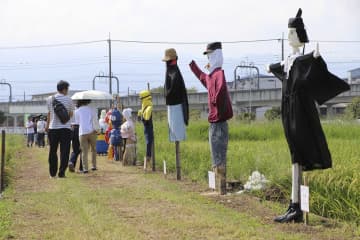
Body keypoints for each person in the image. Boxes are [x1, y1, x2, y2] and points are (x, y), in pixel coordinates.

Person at [267, 9, 350, 223]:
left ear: (300, 36)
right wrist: (271, 67)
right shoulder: (289, 61)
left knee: (299, 155)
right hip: (288, 110)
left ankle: (297, 207)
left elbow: (316, 69)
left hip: (300, 113)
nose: (289, 37)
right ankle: (293, 206)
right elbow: (280, 69)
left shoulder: (303, 61)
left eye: (293, 33)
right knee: (294, 154)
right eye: (289, 33)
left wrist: (317, 59)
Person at [189, 42, 233, 195]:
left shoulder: (219, 73)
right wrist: (193, 67)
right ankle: (219, 186)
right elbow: (204, 79)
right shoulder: (212, 75)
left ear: (216, 55)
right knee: (216, 154)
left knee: (218, 154)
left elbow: (220, 89)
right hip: (215, 122)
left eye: (210, 55)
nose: (208, 58)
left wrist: (214, 100)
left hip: (218, 122)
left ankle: (221, 187)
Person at [162, 48, 189, 179]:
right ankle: (177, 171)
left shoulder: (174, 73)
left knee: (177, 133)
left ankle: (179, 172)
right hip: (172, 107)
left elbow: (173, 91)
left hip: (176, 107)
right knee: (174, 132)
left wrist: (168, 95)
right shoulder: (171, 71)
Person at [46, 80, 74, 178]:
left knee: (53, 151)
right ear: (64, 89)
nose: (68, 91)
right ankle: (61, 173)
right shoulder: (69, 99)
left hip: (53, 128)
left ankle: (52, 174)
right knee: (65, 151)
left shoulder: (50, 99)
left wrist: (47, 126)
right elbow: (70, 114)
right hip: (65, 128)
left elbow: (49, 113)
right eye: (67, 89)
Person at [75, 99, 99, 174]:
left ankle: (85, 168)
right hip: (92, 131)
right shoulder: (92, 109)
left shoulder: (77, 111)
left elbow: (77, 122)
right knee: (93, 149)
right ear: (88, 101)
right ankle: (94, 166)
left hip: (82, 132)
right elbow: (95, 120)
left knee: (84, 151)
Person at [137, 90, 154, 171]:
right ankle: (148, 160)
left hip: (147, 129)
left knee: (149, 143)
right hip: (148, 129)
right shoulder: (147, 108)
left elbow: (142, 117)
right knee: (149, 143)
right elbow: (145, 117)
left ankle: (148, 160)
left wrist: (141, 116)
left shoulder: (145, 108)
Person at [68, 104, 83, 172]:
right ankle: (81, 167)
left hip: (73, 129)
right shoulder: (82, 112)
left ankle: (71, 162)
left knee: (75, 149)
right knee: (82, 150)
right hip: (80, 129)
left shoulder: (73, 112)